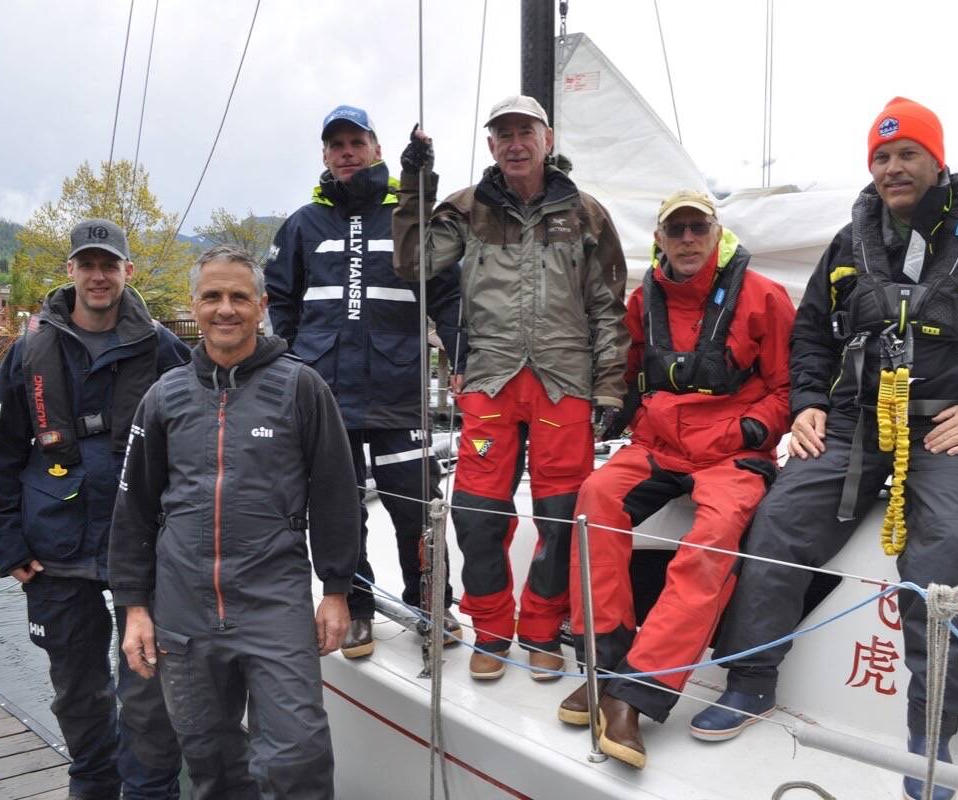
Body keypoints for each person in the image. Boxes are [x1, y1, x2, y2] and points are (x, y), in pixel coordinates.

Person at [691, 98, 958, 800]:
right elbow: (811, 335)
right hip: (850, 429)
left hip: (942, 434)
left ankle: (936, 731)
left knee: (945, 556)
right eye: (882, 157)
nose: (893, 167)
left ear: (936, 160)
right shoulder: (847, 242)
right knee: (776, 527)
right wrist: (806, 404)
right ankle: (751, 681)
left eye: (907, 154)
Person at [109, 245, 361, 799]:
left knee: (297, 756)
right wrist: (134, 608)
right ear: (194, 306)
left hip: (273, 602)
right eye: (212, 296)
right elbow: (134, 511)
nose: (226, 309)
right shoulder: (164, 396)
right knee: (210, 761)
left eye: (239, 297)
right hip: (182, 610)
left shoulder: (301, 388)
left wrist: (337, 590)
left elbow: (338, 497)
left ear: (261, 305)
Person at [394, 94, 629, 680]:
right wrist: (415, 184)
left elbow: (607, 308)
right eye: (504, 134)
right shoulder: (467, 209)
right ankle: (493, 631)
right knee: (477, 516)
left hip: (564, 383)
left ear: (548, 139)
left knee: (559, 517)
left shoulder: (587, 214)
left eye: (526, 131)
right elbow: (412, 263)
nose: (516, 143)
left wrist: (609, 389)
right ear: (491, 145)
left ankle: (544, 632)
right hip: (490, 381)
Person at [557, 190, 794, 769]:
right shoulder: (644, 302)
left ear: (716, 232)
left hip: (729, 454)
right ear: (660, 239)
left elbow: (789, 388)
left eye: (697, 228)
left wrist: (750, 429)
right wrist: (629, 416)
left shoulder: (764, 298)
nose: (687, 239)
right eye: (676, 229)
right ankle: (603, 666)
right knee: (595, 498)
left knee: (712, 539)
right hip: (659, 446)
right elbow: (629, 372)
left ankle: (635, 695)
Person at [0, 218, 187, 799]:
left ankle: (149, 791)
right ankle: (91, 785)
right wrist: (7, 545)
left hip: (142, 550)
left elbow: (194, 451)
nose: (98, 276)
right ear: (70, 270)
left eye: (109, 264)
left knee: (147, 695)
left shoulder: (164, 350)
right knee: (77, 692)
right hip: (54, 553)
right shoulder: (28, 351)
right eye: (87, 264)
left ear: (127, 271)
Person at [265, 104, 464, 658]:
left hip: (401, 396)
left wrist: (462, 351)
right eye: (337, 145)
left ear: (376, 150)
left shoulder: (407, 215)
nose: (347, 153)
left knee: (416, 507)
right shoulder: (303, 223)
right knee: (338, 510)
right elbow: (280, 300)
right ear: (325, 155)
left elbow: (446, 295)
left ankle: (432, 605)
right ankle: (355, 607)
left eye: (357, 142)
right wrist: (291, 364)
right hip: (325, 398)